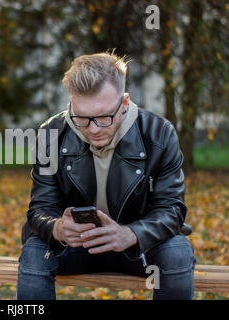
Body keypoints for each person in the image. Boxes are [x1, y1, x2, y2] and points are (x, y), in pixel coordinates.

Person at [17, 52, 196, 300]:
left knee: (177, 251)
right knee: (36, 250)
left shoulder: (159, 133)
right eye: (80, 117)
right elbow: (40, 207)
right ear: (71, 103)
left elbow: (172, 210)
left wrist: (131, 234)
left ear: (124, 103)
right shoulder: (51, 134)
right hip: (75, 247)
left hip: (138, 250)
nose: (93, 129)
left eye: (103, 117)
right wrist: (57, 227)